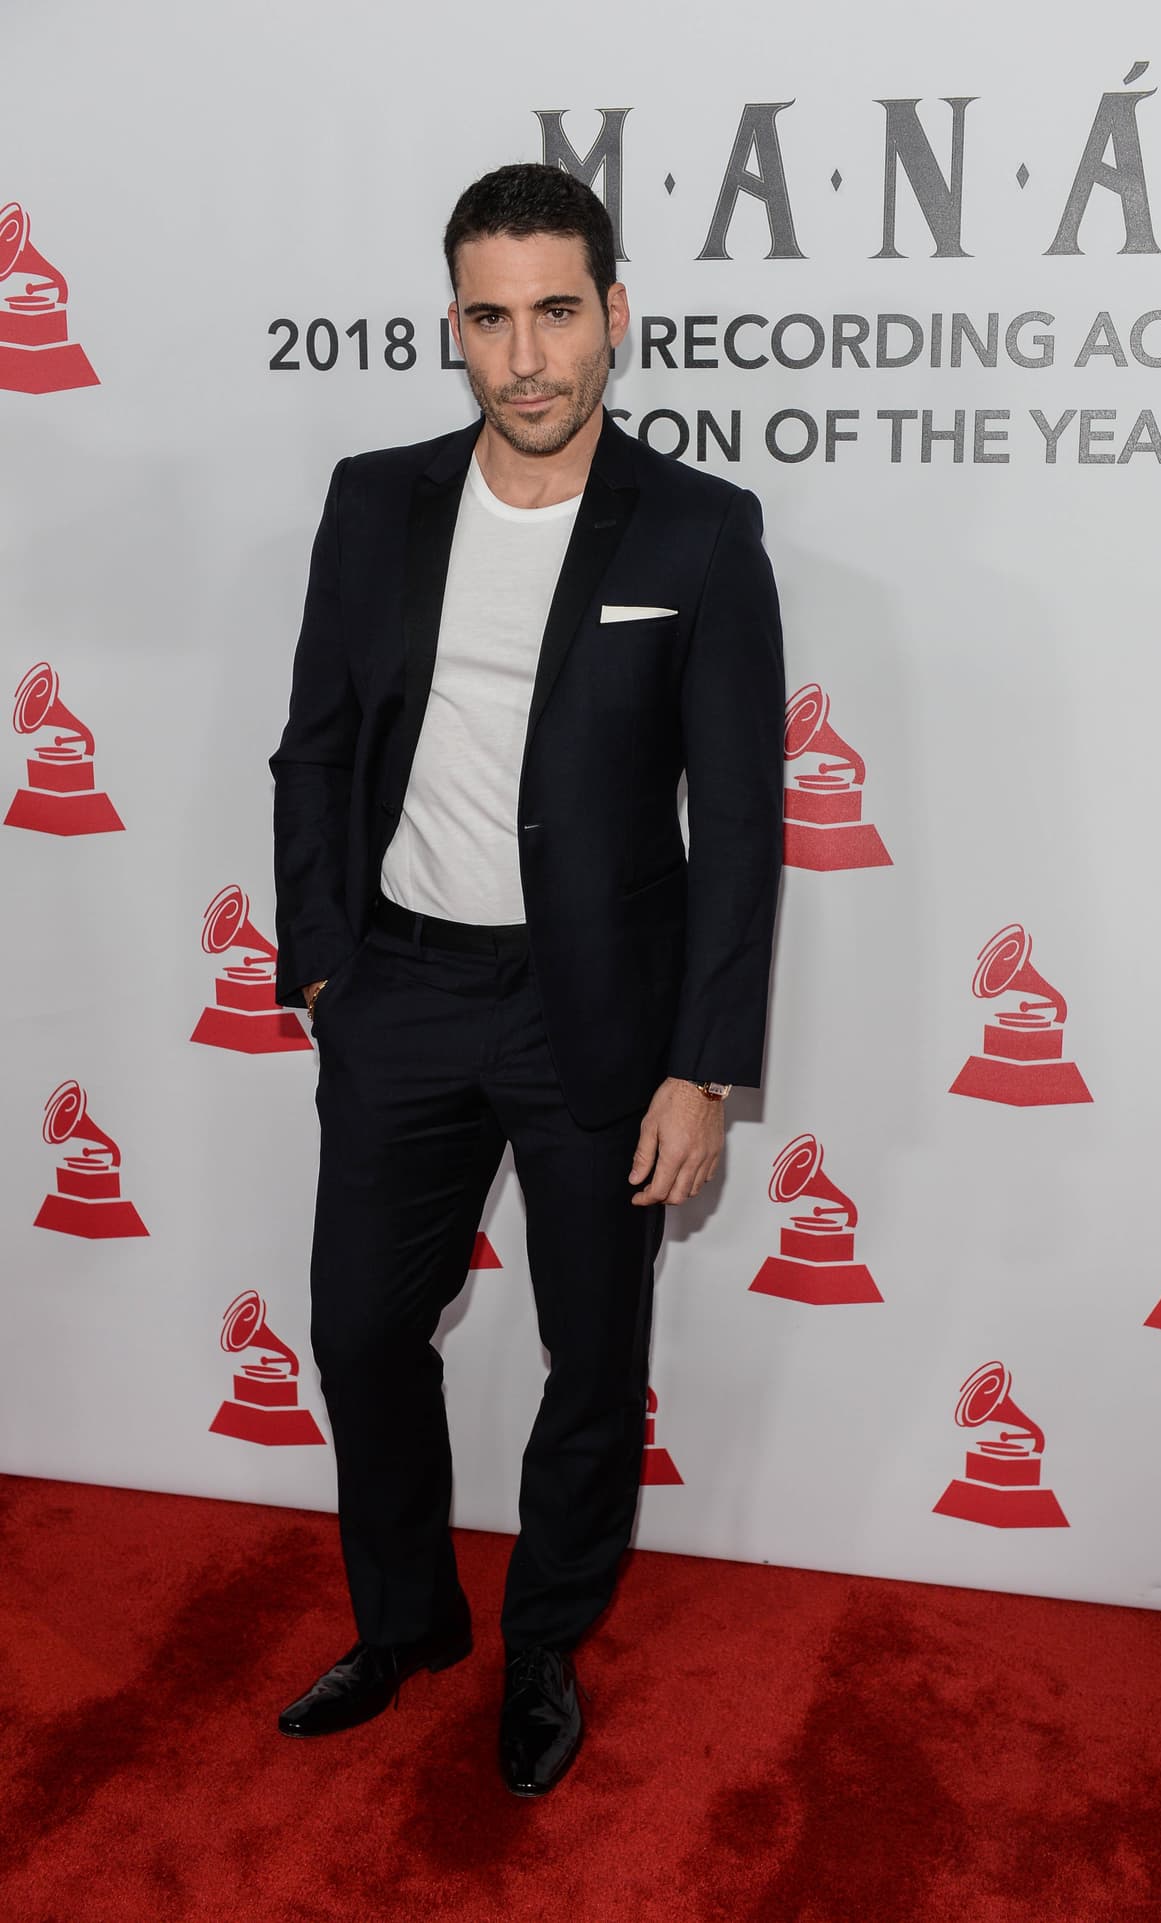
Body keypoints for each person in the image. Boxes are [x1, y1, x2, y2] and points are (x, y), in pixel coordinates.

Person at [269, 162, 784, 1796]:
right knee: (359, 1330)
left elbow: (745, 823)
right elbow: (317, 751)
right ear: (457, 332)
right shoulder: (375, 500)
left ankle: (545, 1640)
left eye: (557, 310)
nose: (529, 356)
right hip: (402, 992)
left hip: (600, 1026)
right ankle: (409, 1620)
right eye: (491, 319)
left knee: (591, 1355)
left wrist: (701, 1067)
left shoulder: (701, 535)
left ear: (614, 315)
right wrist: (325, 972)